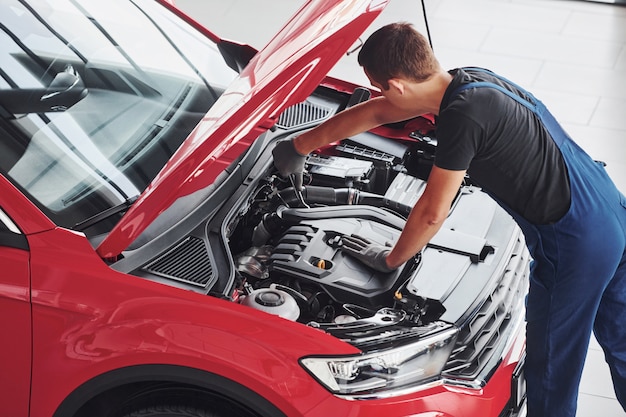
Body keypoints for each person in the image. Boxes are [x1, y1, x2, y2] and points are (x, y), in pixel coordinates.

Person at [272, 22, 626, 417]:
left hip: (576, 242)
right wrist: (299, 145)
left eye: (380, 85)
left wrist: (390, 258)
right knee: (623, 341)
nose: (380, 94)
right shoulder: (469, 81)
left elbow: (431, 212)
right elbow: (375, 110)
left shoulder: (463, 117)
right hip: (609, 207)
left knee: (550, 370)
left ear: (398, 85)